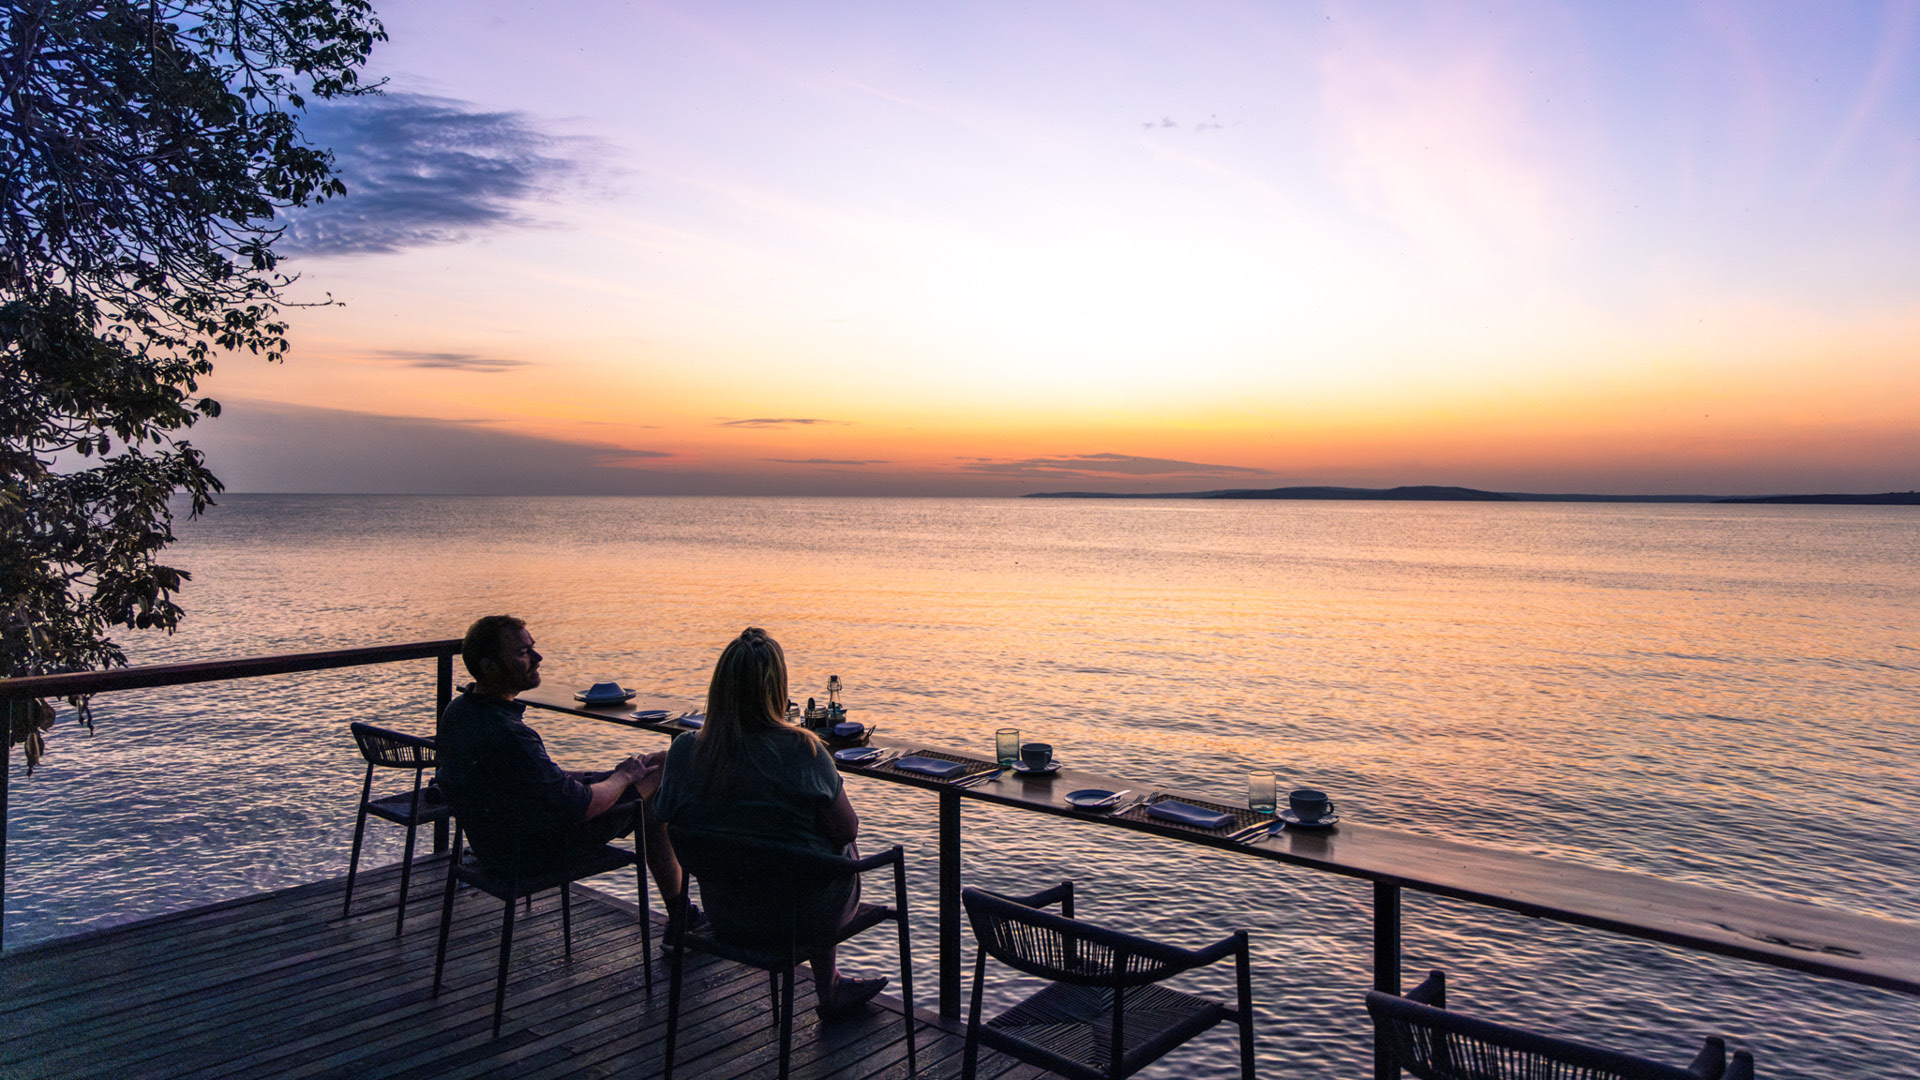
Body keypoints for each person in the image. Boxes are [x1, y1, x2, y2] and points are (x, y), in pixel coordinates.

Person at [652, 626, 887, 1021]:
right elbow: (847, 830)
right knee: (834, 846)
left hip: (727, 913)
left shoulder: (684, 751)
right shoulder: (803, 750)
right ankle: (828, 987)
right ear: (778, 688)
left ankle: (830, 983)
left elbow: (662, 817)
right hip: (800, 918)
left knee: (797, 846)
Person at [436, 614, 683, 912]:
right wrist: (623, 777)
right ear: (489, 667)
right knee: (671, 763)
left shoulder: (459, 710)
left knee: (655, 766)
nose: (538, 658)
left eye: (533, 648)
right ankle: (681, 918)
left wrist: (609, 776)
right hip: (538, 852)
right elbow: (580, 806)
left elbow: (537, 780)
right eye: (523, 653)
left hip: (494, 847)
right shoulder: (512, 735)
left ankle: (680, 916)